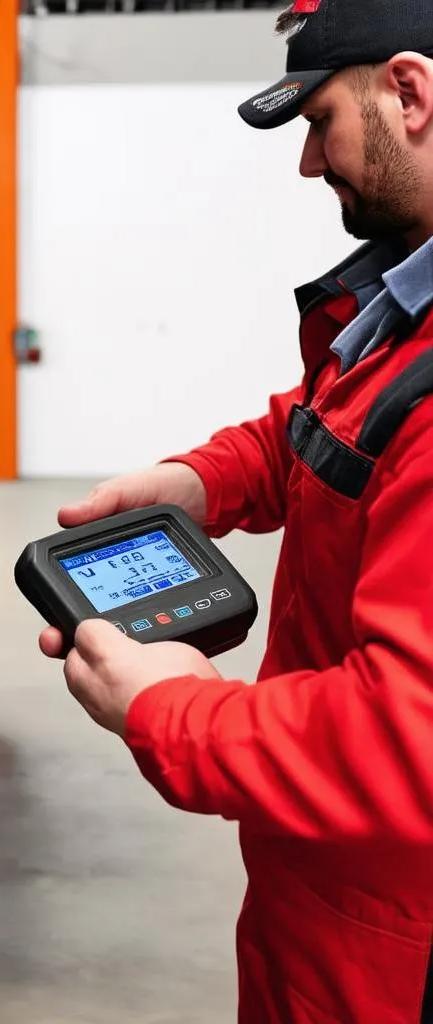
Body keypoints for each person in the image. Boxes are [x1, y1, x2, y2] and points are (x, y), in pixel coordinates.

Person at [37, 2, 433, 1021]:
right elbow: (328, 423)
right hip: (326, 886)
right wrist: (202, 483)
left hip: (393, 947)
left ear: (410, 93)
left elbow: (409, 736)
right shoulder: (405, 304)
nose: (309, 163)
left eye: (318, 121)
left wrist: (172, 710)